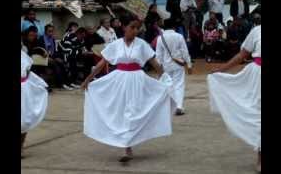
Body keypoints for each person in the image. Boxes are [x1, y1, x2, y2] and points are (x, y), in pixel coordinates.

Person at [81, 15, 176, 163]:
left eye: (137, 28)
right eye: (132, 27)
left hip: (137, 80)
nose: (135, 30)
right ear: (124, 27)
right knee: (122, 111)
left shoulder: (142, 44)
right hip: (119, 80)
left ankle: (129, 143)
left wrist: (164, 77)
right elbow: (102, 63)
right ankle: (127, 147)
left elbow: (154, 62)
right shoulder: (116, 44)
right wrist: (88, 78)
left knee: (134, 112)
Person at [207, 25, 261, 173]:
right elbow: (242, 55)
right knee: (259, 115)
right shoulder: (257, 31)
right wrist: (222, 69)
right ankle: (260, 156)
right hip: (258, 76)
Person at [156, 19, 192, 115]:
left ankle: (171, 106)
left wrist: (158, 68)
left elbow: (158, 55)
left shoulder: (160, 38)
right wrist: (189, 64)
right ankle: (179, 106)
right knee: (179, 85)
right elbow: (185, 51)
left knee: (168, 85)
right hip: (178, 64)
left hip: (166, 65)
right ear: (174, 27)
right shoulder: (179, 36)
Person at [21, 48, 48, 158]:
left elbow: (28, 73)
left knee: (25, 120)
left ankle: (21, 146)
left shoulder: (24, 55)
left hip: (24, 90)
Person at [38, 24, 74, 90]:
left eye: (52, 31)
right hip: (43, 59)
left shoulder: (52, 39)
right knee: (56, 65)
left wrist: (56, 57)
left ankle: (67, 83)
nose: (51, 33)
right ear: (45, 31)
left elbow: (53, 51)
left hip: (51, 58)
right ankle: (61, 84)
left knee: (62, 62)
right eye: (49, 31)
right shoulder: (41, 39)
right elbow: (39, 51)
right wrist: (48, 58)